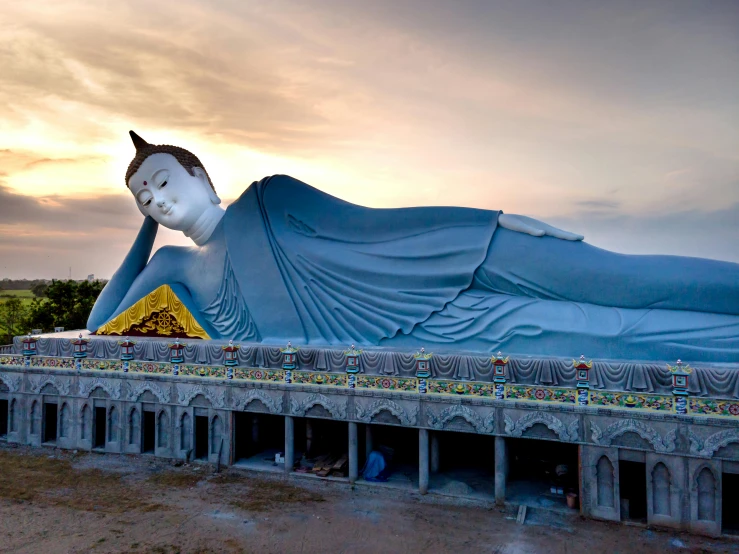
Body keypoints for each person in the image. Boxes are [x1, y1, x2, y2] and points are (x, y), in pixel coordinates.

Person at [88, 132, 739, 362]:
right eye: (143, 197)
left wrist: (491, 221)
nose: (157, 200)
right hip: (452, 331)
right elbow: (98, 326)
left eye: (163, 182)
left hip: (438, 257)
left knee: (617, 281)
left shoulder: (269, 199)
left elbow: (371, 223)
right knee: (618, 332)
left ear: (201, 176)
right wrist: (143, 231)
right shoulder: (178, 267)